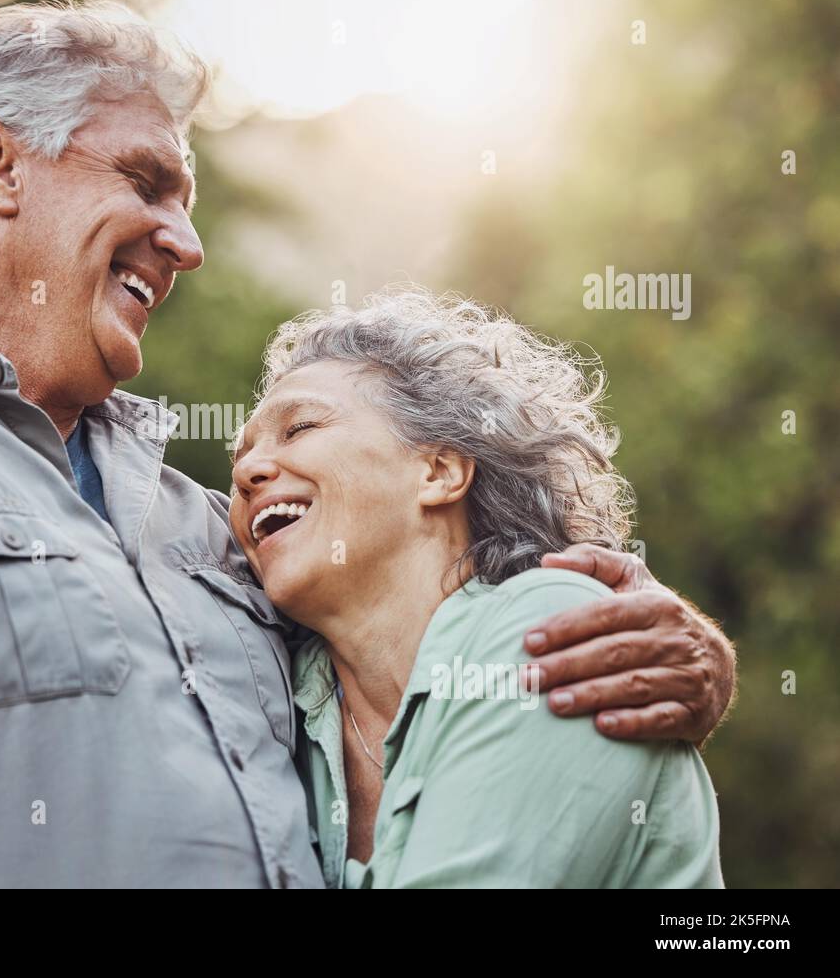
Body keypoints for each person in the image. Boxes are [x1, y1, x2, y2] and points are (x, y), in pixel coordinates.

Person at [0, 0, 734, 888]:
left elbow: (424, 646)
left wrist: (677, 652)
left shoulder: (212, 531)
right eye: (145, 181)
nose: (186, 243)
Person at [230, 289, 723, 887]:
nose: (246, 471)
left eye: (300, 427)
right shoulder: (283, 691)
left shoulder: (549, 624)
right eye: (243, 453)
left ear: (438, 473)